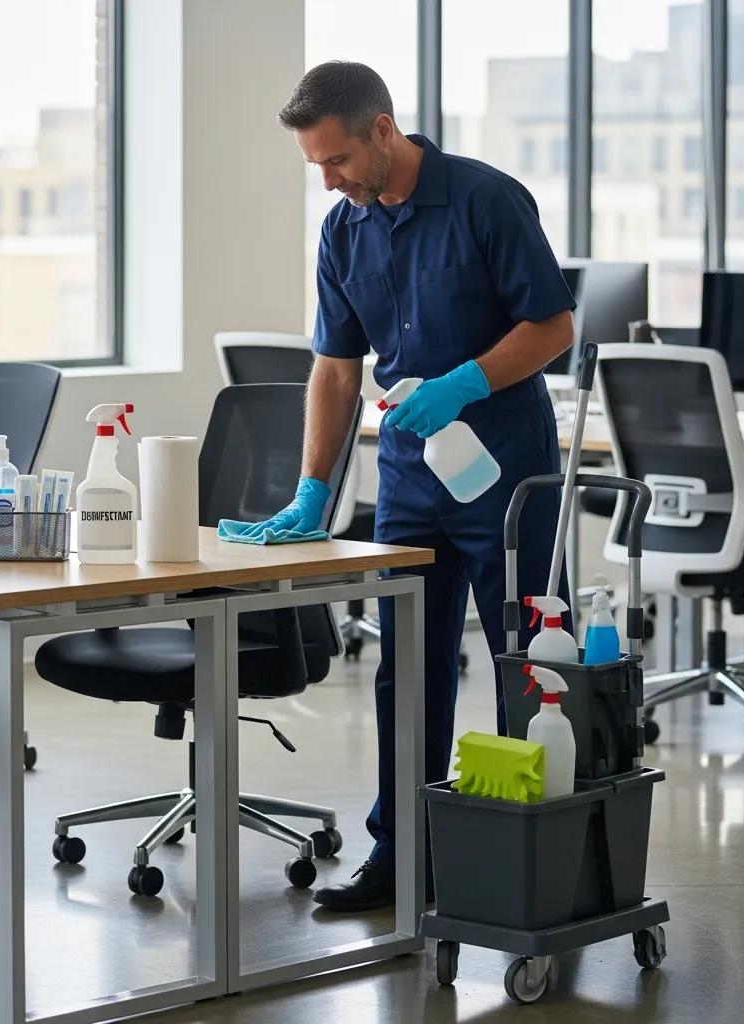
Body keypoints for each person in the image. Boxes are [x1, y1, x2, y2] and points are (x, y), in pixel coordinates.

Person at [260, 61, 574, 912]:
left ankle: (539, 861)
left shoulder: (485, 200)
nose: (329, 180)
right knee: (409, 666)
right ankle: (402, 855)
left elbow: (553, 326)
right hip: (409, 476)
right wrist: (311, 491)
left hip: (505, 471)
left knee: (534, 667)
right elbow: (334, 367)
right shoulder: (344, 229)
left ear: (383, 131)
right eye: (316, 167)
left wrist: (466, 380)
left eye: (336, 160)